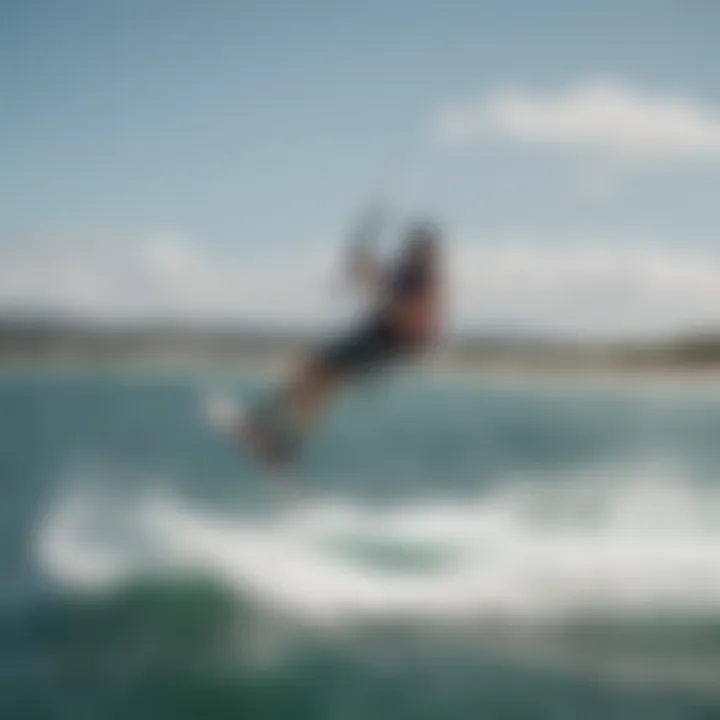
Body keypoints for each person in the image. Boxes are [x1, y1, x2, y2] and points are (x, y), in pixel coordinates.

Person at [238, 219, 443, 468]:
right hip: (375, 335)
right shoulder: (404, 274)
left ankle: (270, 429)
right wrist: (360, 263)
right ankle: (276, 436)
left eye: (419, 250)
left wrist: (381, 291)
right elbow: (372, 278)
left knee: (320, 375)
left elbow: (410, 315)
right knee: (318, 379)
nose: (414, 253)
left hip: (388, 345)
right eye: (414, 249)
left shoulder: (425, 283)